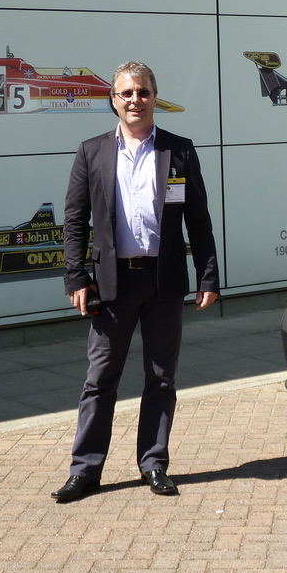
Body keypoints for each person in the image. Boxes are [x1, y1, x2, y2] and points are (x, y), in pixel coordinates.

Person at [52, 60, 220, 503]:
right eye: (126, 93)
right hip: (112, 286)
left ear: (154, 98)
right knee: (99, 380)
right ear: (113, 100)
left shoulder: (179, 150)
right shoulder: (91, 152)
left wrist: (208, 275)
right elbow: (75, 220)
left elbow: (198, 219)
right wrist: (76, 276)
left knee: (161, 379)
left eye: (143, 92)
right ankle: (85, 471)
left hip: (164, 282)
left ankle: (154, 464)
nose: (135, 100)